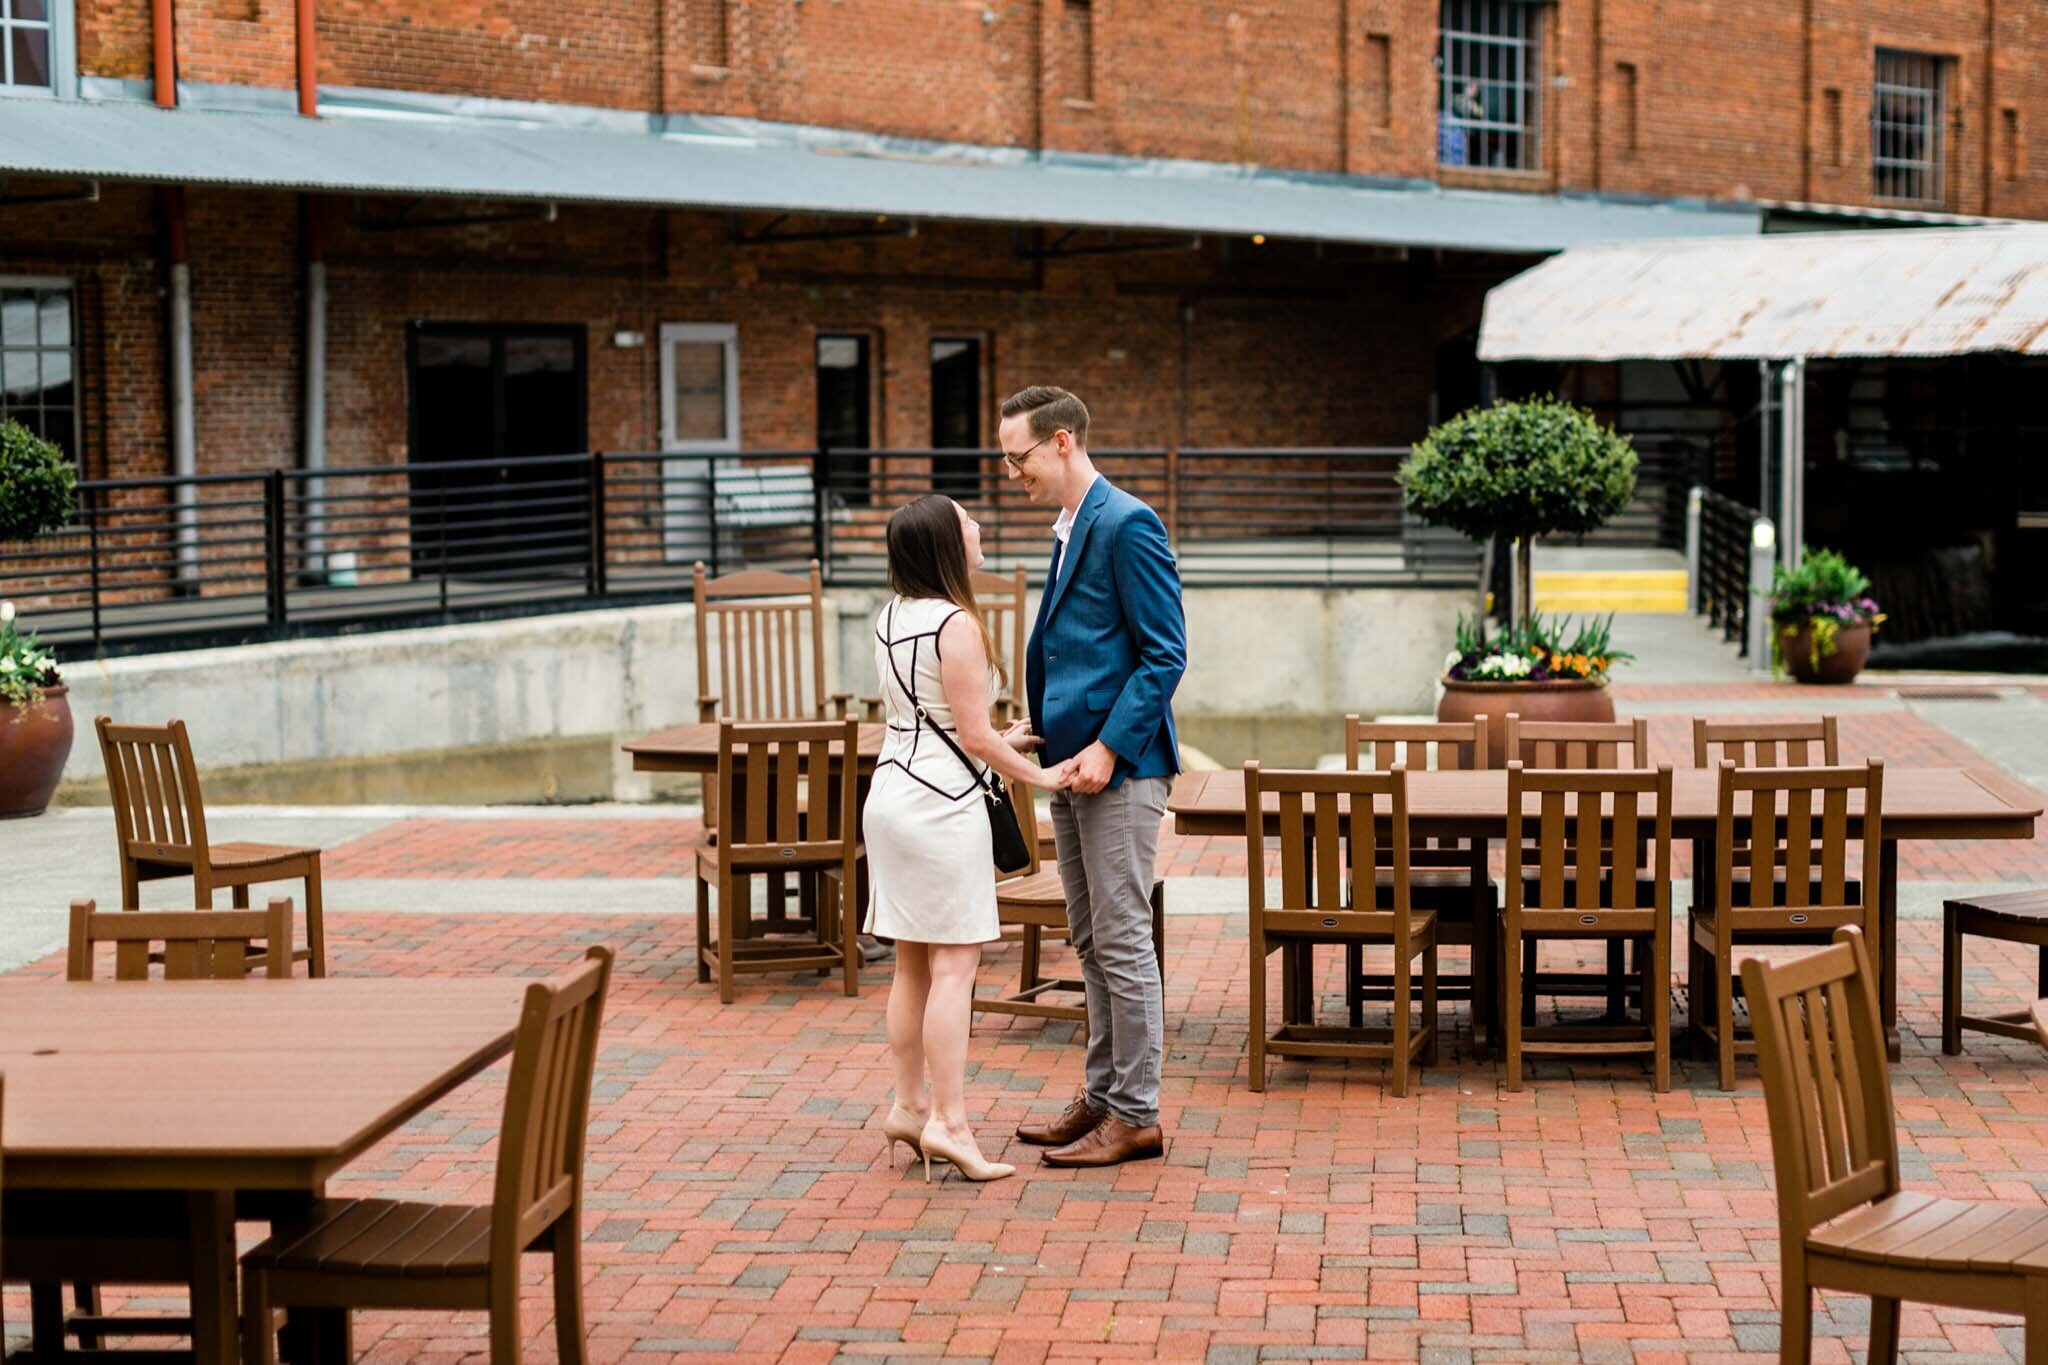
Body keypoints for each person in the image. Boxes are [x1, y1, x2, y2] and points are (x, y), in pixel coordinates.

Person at [999, 386, 1186, 1168]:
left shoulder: (1127, 522)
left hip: (1120, 767)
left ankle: (1136, 1114)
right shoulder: (1073, 527)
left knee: (1121, 938)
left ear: (1064, 440)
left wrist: (1108, 747)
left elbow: (1164, 653)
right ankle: (1103, 1095)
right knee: (1090, 936)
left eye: (1020, 456)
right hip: (1069, 768)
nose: (1013, 472)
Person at [865, 494, 1074, 1183]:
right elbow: (974, 732)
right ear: (944, 546)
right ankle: (950, 1125)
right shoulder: (956, 623)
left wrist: (990, 744)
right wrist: (1041, 777)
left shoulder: (890, 616)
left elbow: (930, 720)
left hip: (893, 795)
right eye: (967, 523)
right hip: (940, 806)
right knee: (956, 964)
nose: (979, 529)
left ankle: (907, 1104)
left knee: (911, 965)